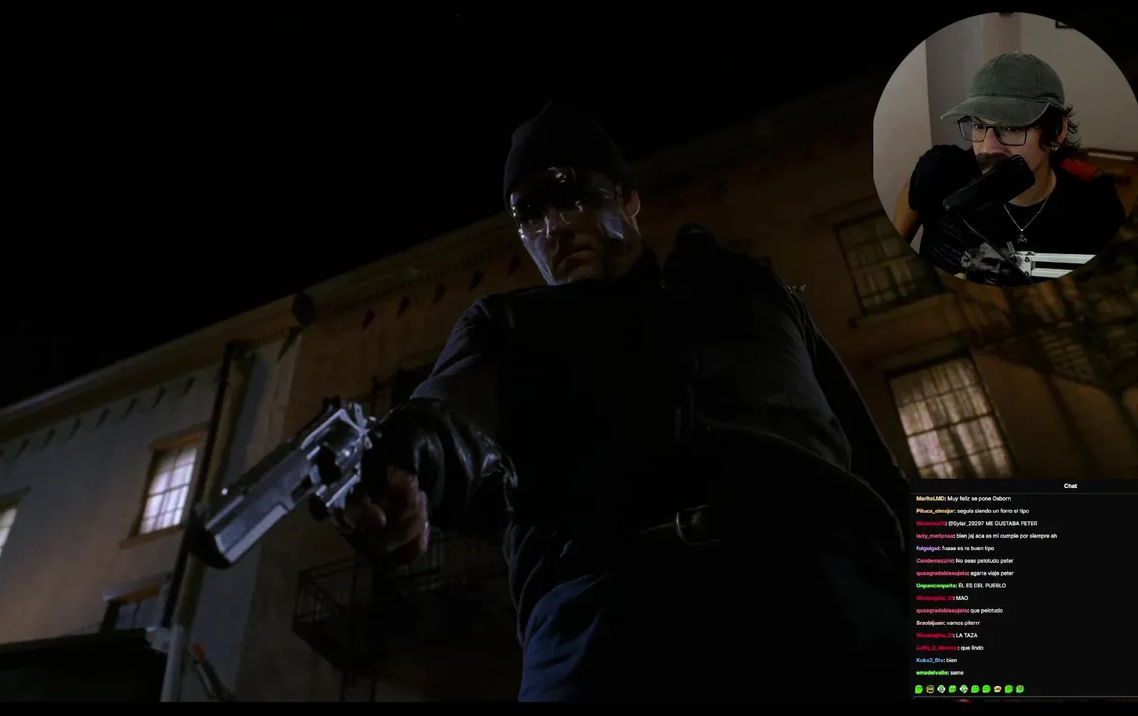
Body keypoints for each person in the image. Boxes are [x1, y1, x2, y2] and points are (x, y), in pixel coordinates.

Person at [344, 101, 910, 703]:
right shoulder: (509, 326)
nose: (553, 228)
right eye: (528, 215)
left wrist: (963, 644)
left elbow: (881, 477)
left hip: (829, 607)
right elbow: (447, 414)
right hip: (606, 627)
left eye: (570, 196)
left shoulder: (753, 294)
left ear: (627, 197)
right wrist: (404, 462)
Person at [891, 51, 1126, 286]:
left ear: (1057, 131)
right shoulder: (939, 171)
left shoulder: (1096, 212)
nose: (988, 147)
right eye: (979, 125)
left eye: (1012, 128)